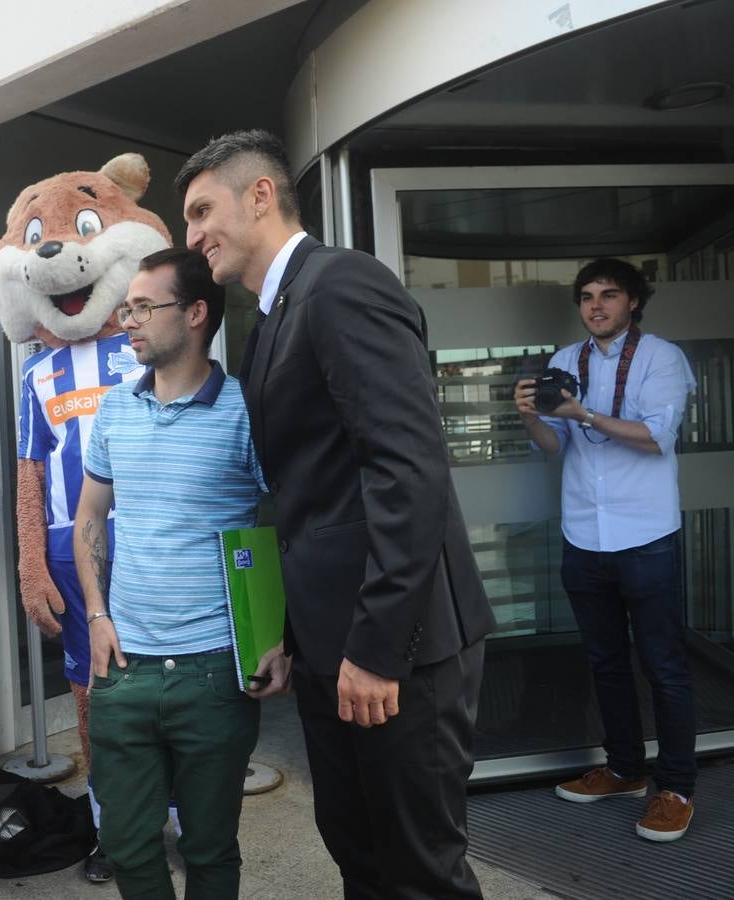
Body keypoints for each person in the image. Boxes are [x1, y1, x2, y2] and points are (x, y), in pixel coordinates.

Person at [176, 130, 496, 899]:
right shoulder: (274, 315)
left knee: (421, 873)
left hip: (397, 654)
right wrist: (289, 636)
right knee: (362, 859)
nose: (191, 238)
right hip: (332, 651)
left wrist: (379, 649)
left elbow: (408, 470)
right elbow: (309, 499)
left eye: (199, 212)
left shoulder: (342, 284)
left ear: (261, 195)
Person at [73, 248, 266, 897]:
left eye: (142, 308)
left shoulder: (245, 411)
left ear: (195, 314)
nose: (127, 320)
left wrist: (275, 634)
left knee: (209, 851)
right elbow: (90, 520)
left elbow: (280, 528)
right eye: (125, 308)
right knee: (128, 846)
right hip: (123, 668)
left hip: (214, 672)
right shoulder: (114, 410)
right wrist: (96, 615)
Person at [514, 258, 697, 842]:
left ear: (633, 302)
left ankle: (675, 787)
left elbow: (653, 438)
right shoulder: (565, 362)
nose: (596, 305)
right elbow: (555, 445)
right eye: (588, 296)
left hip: (646, 536)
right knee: (606, 663)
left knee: (665, 667)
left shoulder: (662, 358)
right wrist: (530, 418)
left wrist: (582, 411)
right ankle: (623, 769)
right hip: (584, 536)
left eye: (609, 295)